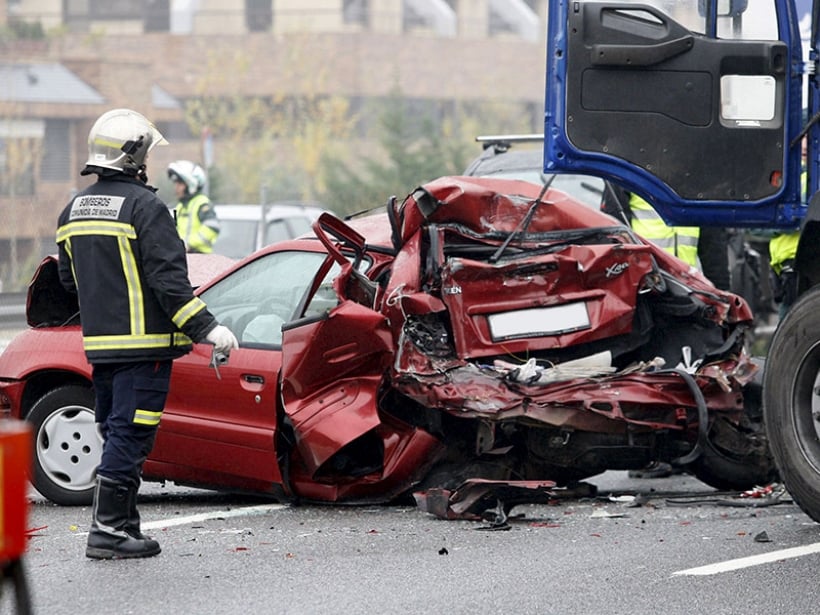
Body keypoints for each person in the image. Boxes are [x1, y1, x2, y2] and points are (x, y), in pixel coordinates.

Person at [56, 109, 239, 560]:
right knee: (132, 434)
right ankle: (109, 531)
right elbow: (169, 283)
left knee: (114, 429)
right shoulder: (146, 207)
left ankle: (124, 523)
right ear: (133, 156)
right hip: (146, 349)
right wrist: (210, 329)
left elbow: (67, 282)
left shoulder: (72, 209)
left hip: (100, 347)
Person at [168, 160, 220, 253]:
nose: (176, 188)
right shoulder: (180, 206)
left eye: (180, 184)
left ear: (191, 184)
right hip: (185, 256)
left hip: (200, 258)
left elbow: (212, 228)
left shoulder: (202, 203)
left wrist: (188, 243)